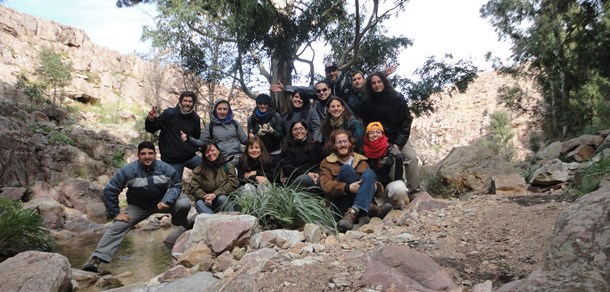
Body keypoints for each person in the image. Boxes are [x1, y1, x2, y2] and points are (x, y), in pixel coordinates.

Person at [82, 141, 191, 273]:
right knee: (118, 225)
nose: (147, 157)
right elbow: (110, 190)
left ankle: (181, 223)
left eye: (150, 153)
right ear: (138, 155)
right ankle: (95, 260)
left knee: (184, 203)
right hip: (139, 206)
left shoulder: (165, 168)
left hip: (163, 204)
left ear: (155, 154)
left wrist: (167, 200)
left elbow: (176, 185)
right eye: (143, 154)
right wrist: (116, 213)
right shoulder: (128, 171)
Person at [359, 71, 421, 197]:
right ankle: (384, 195)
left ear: (384, 82)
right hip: (377, 138)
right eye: (373, 83)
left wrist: (398, 144)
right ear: (370, 85)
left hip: (398, 136)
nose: (377, 85)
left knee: (410, 158)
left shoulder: (397, 98)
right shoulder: (366, 102)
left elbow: (406, 122)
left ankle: (414, 191)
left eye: (379, 82)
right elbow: (363, 122)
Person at [319, 129, 383, 232]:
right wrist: (347, 188)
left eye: (345, 141)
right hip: (341, 203)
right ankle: (370, 210)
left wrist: (376, 187)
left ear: (350, 143)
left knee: (369, 173)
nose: (343, 145)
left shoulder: (362, 161)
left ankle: (354, 212)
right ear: (333, 145)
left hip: (350, 214)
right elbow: (326, 186)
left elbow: (376, 186)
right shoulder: (326, 163)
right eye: (339, 142)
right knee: (346, 169)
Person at [145, 91, 202, 180]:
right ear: (180, 101)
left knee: (209, 168)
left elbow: (196, 138)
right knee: (175, 187)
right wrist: (151, 119)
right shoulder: (169, 114)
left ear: (193, 103)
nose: (187, 104)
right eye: (185, 101)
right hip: (172, 160)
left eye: (190, 101)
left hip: (190, 157)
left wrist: (191, 148)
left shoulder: (195, 118)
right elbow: (151, 129)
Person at [183, 99, 248, 166]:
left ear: (228, 110)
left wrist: (252, 138)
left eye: (225, 109)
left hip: (239, 159)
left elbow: (244, 140)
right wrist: (188, 138)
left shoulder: (235, 124)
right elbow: (202, 143)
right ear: (215, 110)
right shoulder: (211, 126)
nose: (222, 112)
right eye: (219, 109)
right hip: (223, 161)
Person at [364, 122, 409, 208]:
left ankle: (396, 206)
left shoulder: (391, 150)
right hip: (374, 188)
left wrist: (397, 159)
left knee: (399, 187)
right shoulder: (363, 151)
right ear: (367, 135)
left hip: (389, 185)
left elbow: (397, 178)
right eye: (371, 133)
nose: (375, 135)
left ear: (382, 134)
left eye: (378, 132)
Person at [190, 141, 239, 214]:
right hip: (207, 202)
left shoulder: (228, 166)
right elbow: (194, 187)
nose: (210, 153)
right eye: (207, 152)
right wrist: (205, 196)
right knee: (199, 204)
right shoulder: (199, 170)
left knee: (222, 198)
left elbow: (233, 183)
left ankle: (232, 220)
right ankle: (213, 222)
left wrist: (215, 194)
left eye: (212, 150)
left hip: (224, 199)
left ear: (218, 151)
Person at [281, 120, 325, 189]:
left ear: (306, 131)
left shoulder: (315, 145)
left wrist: (317, 173)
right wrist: (307, 173)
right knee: (306, 179)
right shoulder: (288, 149)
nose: (298, 131)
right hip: (297, 178)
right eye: (295, 129)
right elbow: (287, 169)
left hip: (317, 175)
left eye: (301, 128)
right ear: (291, 133)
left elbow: (323, 162)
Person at [247, 94, 285, 167]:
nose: (262, 106)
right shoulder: (251, 119)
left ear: (268, 104)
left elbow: (281, 135)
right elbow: (250, 138)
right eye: (260, 104)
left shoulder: (276, 116)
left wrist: (272, 131)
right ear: (257, 104)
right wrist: (258, 135)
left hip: (274, 151)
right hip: (258, 152)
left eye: (265, 104)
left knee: (274, 174)